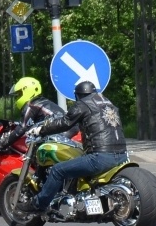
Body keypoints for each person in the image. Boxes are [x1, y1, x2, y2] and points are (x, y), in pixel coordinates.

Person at [31, 80, 127, 215]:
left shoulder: (83, 104)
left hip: (100, 157)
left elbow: (65, 122)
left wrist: (42, 129)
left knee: (57, 170)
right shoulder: (108, 103)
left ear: (78, 95)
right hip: (122, 155)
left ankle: (38, 204)